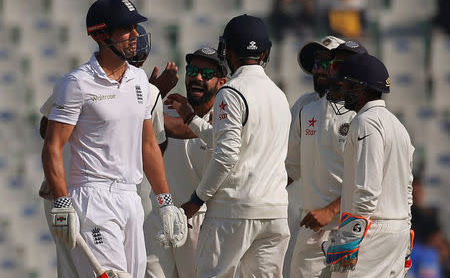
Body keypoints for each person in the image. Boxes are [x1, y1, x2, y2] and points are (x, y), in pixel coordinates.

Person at [41, 0, 187, 277]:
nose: (135, 35)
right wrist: (61, 202)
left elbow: (148, 145)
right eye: (126, 29)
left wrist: (164, 202)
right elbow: (52, 146)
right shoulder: (76, 83)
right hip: (92, 197)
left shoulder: (139, 80)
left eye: (135, 27)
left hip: (131, 199)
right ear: (101, 34)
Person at [176, 14, 291, 277]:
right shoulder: (279, 95)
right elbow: (234, 142)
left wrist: (197, 200)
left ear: (227, 50)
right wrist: (192, 120)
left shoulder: (232, 91)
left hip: (234, 211)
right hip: (274, 212)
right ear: (264, 53)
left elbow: (226, 155)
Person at [322, 53, 414, 277]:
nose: (341, 92)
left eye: (345, 85)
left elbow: (367, 189)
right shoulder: (397, 125)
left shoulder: (366, 122)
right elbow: (408, 189)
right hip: (398, 229)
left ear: (360, 88)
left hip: (373, 231)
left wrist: (350, 238)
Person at [287, 40, 367, 278]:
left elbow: (369, 182)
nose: (321, 68)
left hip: (350, 226)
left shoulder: (363, 113)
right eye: (318, 62)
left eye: (329, 62)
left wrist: (332, 210)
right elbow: (290, 169)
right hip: (309, 224)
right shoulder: (304, 107)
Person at [145, 47, 227, 278]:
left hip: (200, 219)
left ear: (221, 82)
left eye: (207, 73)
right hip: (161, 216)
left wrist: (152, 95)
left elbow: (180, 128)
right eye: (193, 71)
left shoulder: (226, 119)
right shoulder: (166, 108)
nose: (198, 78)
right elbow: (150, 142)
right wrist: (150, 102)